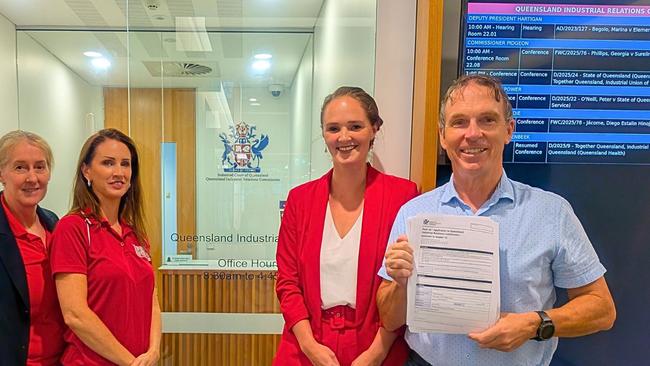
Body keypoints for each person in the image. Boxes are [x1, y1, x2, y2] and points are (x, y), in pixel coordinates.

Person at [377, 75, 616, 366]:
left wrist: (533, 325)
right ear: (443, 135)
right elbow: (389, 319)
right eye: (459, 122)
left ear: (509, 130)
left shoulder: (551, 212)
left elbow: (602, 309)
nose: (473, 133)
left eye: (487, 120)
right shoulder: (413, 214)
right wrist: (402, 284)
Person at [274, 87, 418, 366]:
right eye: (333, 128)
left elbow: (404, 284)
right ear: (323, 134)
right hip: (306, 342)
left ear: (374, 129)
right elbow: (287, 282)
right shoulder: (299, 200)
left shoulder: (403, 196)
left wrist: (377, 352)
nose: (343, 137)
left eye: (355, 126)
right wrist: (309, 345)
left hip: (378, 342)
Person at [50, 128, 160, 366]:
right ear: (86, 170)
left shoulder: (136, 234)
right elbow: (75, 315)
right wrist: (130, 362)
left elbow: (151, 300)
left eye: (125, 164)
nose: (119, 172)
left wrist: (153, 351)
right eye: (108, 163)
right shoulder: (73, 228)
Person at [0, 130, 64, 365]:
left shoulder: (55, 224)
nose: (32, 177)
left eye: (40, 167)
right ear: (1, 173)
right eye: (20, 167)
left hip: (61, 359)